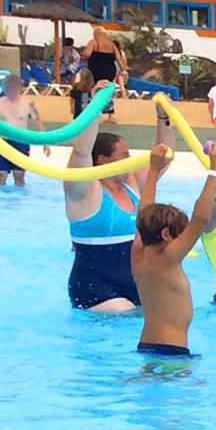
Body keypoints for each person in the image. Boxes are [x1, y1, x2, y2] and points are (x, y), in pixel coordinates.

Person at [131, 140, 216, 361]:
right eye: (180, 234)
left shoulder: (138, 251)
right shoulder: (168, 257)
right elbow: (200, 220)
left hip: (146, 345)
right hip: (171, 351)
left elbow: (143, 212)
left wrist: (154, 169)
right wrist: (214, 170)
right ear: (166, 235)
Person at [64, 116, 161, 312]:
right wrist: (95, 107)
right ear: (103, 159)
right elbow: (82, 152)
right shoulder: (83, 190)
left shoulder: (131, 184)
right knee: (126, 318)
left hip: (135, 281)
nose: (130, 160)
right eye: (124, 155)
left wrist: (163, 116)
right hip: (95, 286)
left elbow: (165, 156)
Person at [0, 71, 40, 186]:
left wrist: (45, 143)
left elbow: (38, 121)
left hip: (21, 141)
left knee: (19, 175)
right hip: (2, 141)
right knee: (1, 175)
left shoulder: (29, 104)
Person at [84, 28, 123, 117]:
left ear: (97, 34)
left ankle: (93, 112)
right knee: (107, 90)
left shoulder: (93, 42)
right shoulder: (112, 44)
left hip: (95, 70)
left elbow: (87, 54)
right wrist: (123, 70)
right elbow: (119, 58)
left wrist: (84, 53)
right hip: (109, 71)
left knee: (93, 89)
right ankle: (110, 114)